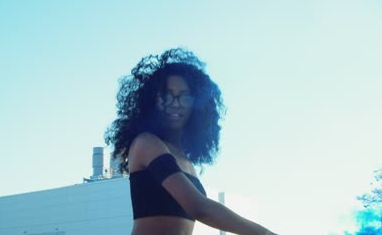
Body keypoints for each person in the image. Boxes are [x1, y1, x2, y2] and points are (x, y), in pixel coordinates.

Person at [105, 48, 278, 235]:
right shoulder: (146, 143)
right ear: (153, 100)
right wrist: (264, 233)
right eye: (167, 95)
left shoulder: (185, 160)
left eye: (184, 97)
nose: (175, 102)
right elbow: (198, 207)